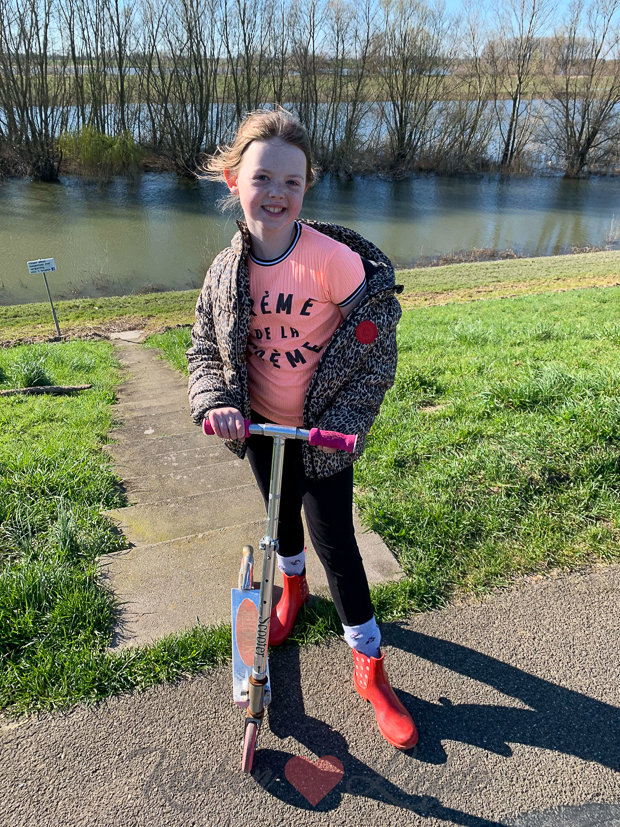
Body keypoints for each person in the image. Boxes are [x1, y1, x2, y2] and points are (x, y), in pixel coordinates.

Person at [186, 108, 417, 750]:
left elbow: (376, 343)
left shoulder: (330, 261)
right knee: (278, 518)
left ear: (307, 186)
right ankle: (291, 589)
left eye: (292, 181)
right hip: (260, 430)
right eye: (263, 178)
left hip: (322, 440)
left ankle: (369, 663)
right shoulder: (225, 271)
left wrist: (345, 423)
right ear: (234, 181)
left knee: (337, 544)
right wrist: (215, 402)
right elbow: (203, 347)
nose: (277, 193)